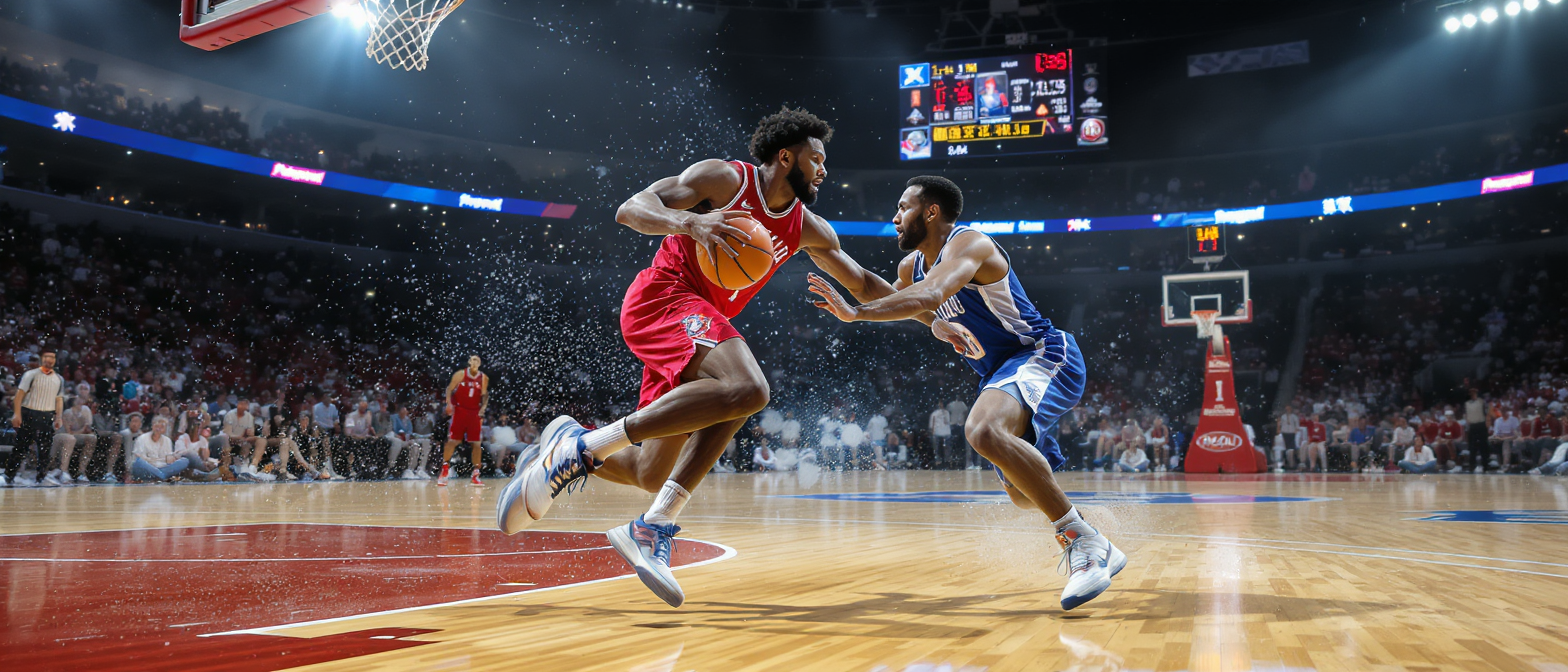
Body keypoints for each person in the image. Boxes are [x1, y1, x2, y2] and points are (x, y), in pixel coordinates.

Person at [498, 108, 910, 610]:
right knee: (749, 388)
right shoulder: (725, 179)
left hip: (697, 328)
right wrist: (689, 222)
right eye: (817, 158)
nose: (824, 169)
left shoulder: (807, 228)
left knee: (649, 471)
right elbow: (631, 208)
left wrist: (933, 314)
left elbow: (862, 282)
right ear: (786, 157)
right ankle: (606, 474)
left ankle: (567, 448)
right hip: (664, 297)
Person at [805, 175, 1125, 610]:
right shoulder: (912, 267)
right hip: (999, 373)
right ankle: (1091, 532)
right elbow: (868, 284)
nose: (895, 217)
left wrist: (859, 314)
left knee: (982, 430)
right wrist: (815, 246)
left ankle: (1083, 541)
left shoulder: (970, 243)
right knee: (1022, 493)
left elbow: (931, 294)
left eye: (903, 208)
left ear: (931, 211)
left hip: (1042, 353)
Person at [7, 350, 64, 488]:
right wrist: (17, 414)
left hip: (47, 415)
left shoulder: (59, 379)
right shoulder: (30, 375)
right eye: (47, 357)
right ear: (42, 360)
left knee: (45, 449)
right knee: (21, 446)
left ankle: (42, 477)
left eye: (52, 358)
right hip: (29, 413)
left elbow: (59, 399)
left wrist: (59, 417)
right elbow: (19, 395)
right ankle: (9, 475)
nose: (49, 360)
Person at [438, 355, 487, 486]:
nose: (475, 363)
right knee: (453, 441)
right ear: (469, 362)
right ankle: (444, 470)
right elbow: (449, 389)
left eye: (478, 361)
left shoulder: (483, 378)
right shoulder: (460, 374)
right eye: (473, 360)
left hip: (474, 413)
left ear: (480, 364)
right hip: (460, 410)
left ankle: (476, 474)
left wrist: (483, 408)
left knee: (476, 443)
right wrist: (449, 404)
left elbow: (484, 395)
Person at [390, 404, 432, 480]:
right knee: (399, 443)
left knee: (418, 445)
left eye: (405, 412)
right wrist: (399, 435)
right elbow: (393, 429)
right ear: (399, 412)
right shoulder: (394, 418)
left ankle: (415, 469)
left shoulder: (407, 420)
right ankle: (392, 467)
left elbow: (410, 431)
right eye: (403, 411)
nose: (405, 413)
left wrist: (408, 437)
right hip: (397, 439)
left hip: (406, 440)